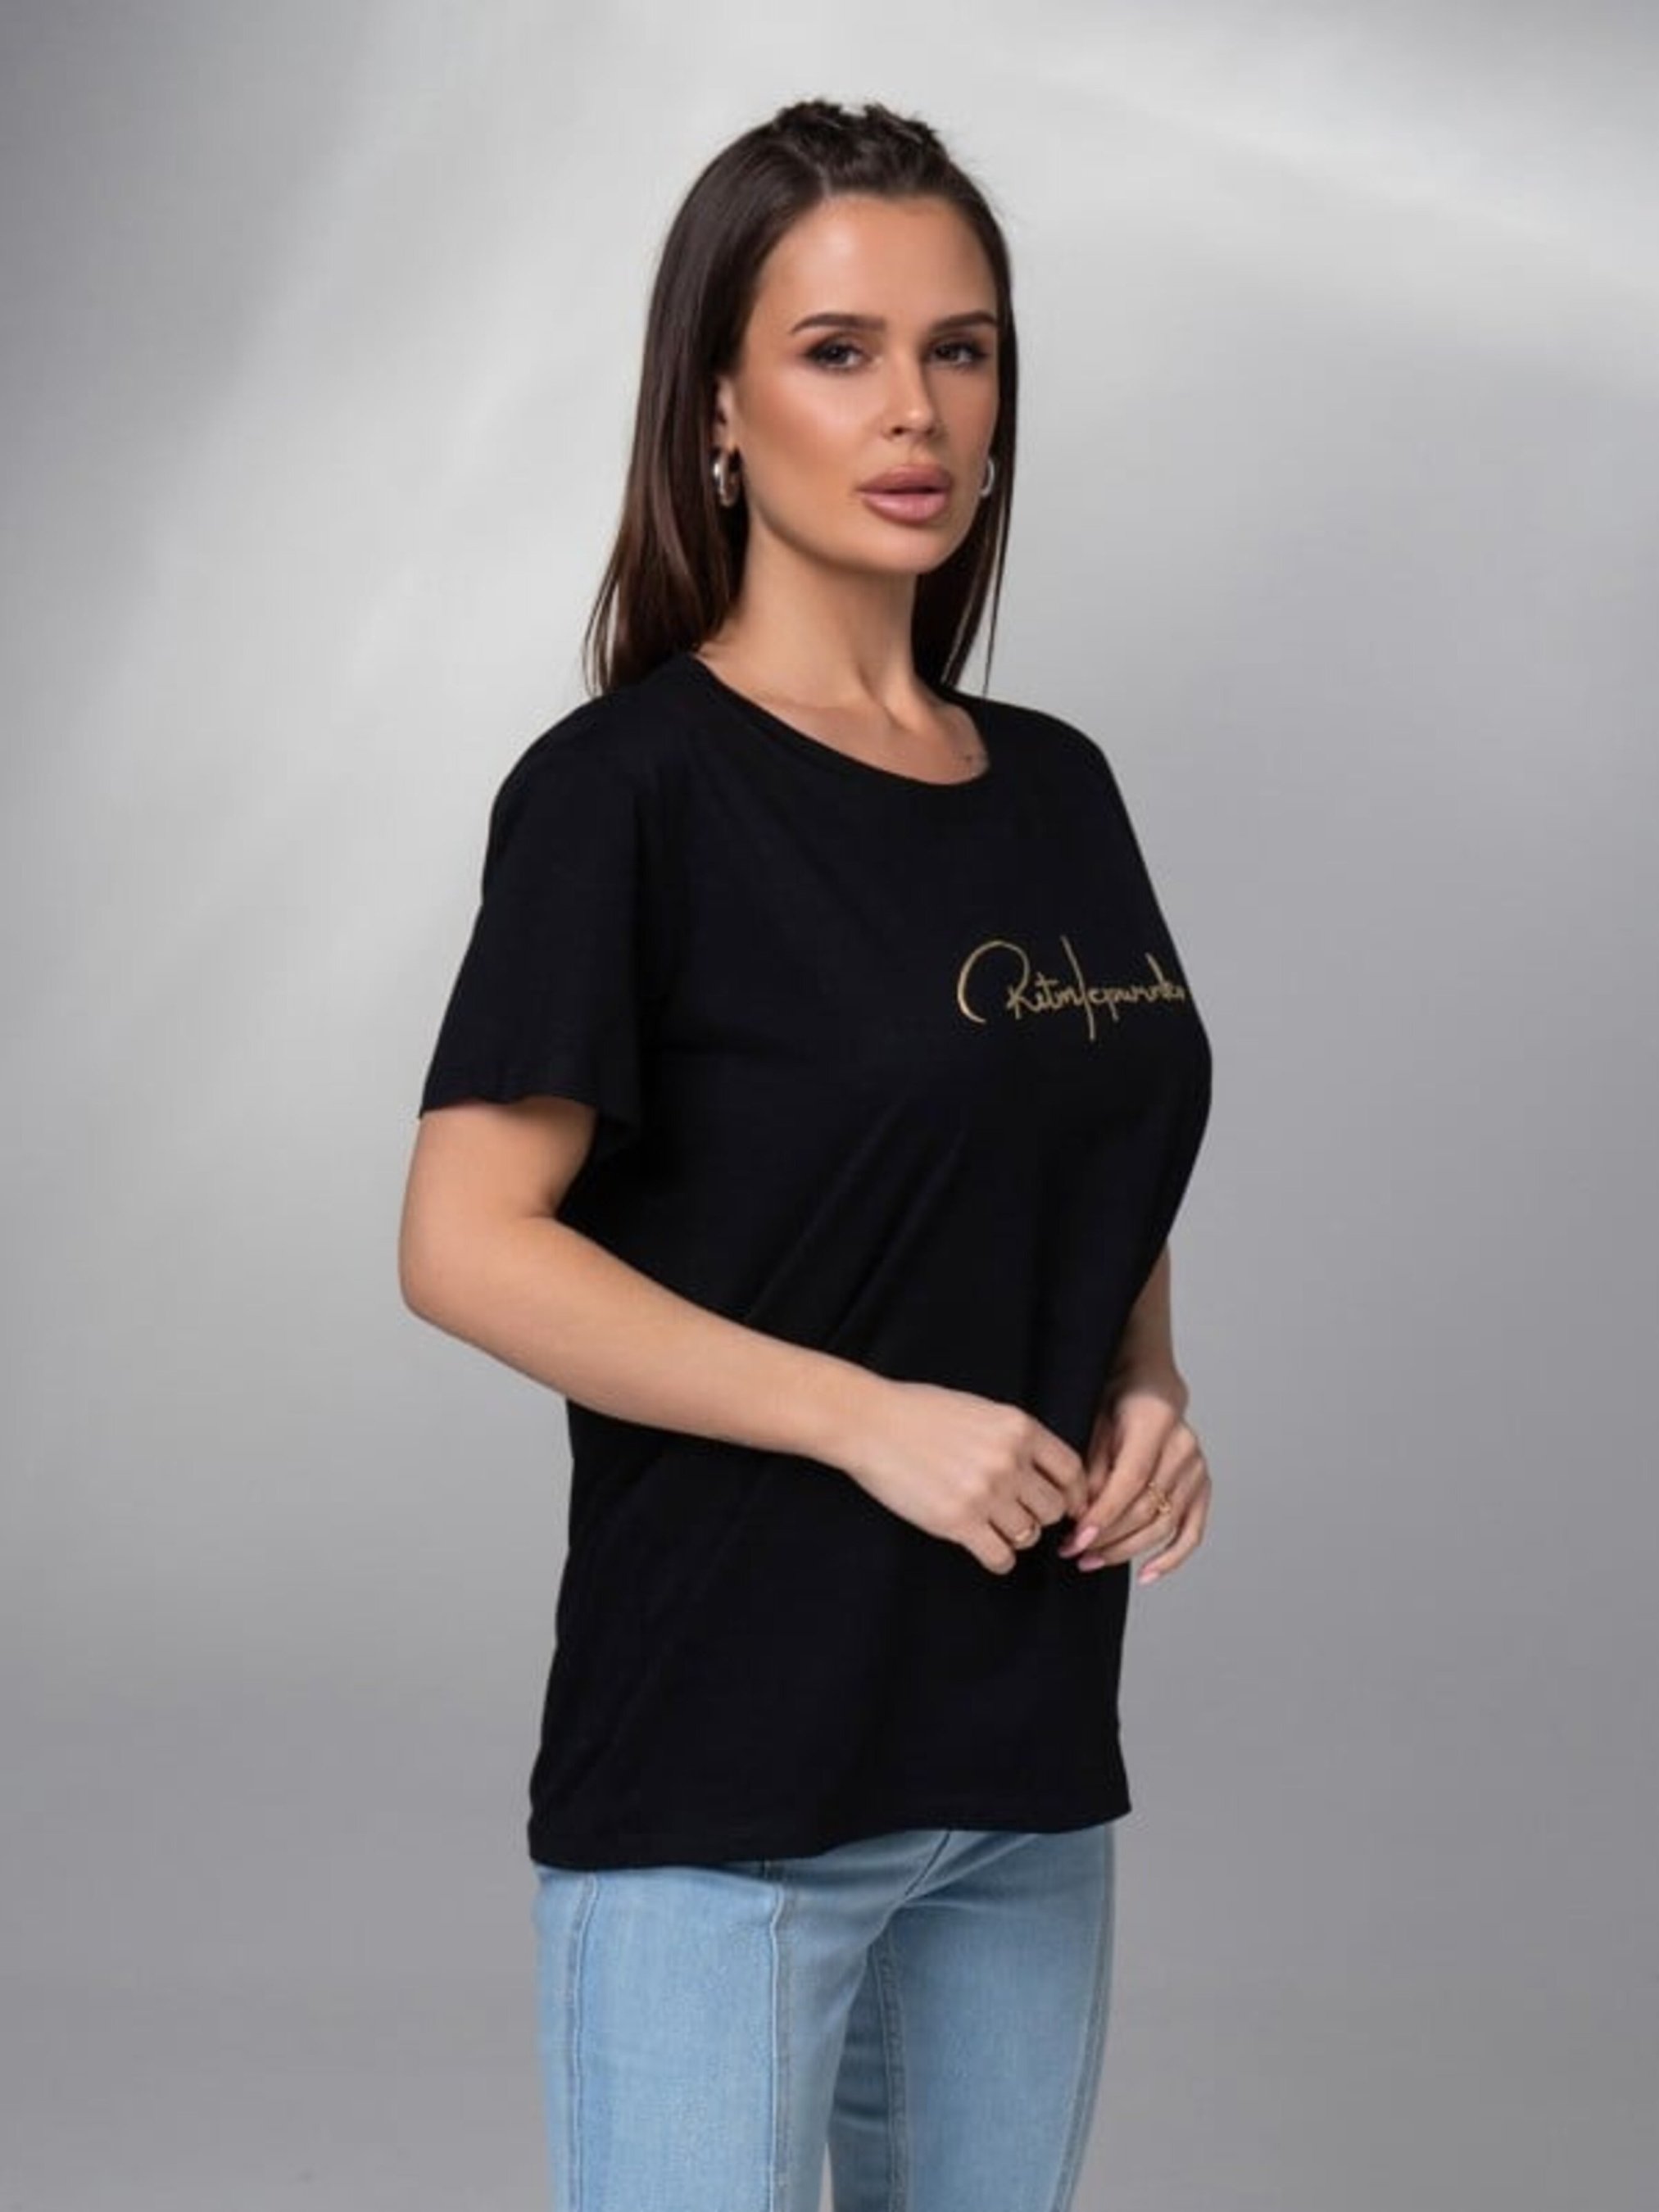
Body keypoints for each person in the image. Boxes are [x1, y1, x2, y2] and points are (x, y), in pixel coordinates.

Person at [398, 96, 1213, 2212]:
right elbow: (466, 1242)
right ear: (716, 409)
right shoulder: (627, 793)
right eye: (840, 350)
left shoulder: (1057, 786)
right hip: (727, 1774)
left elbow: (1077, 1131)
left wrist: (1143, 1381)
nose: (915, 407)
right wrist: (869, 1418)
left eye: (961, 348)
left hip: (1021, 1755)